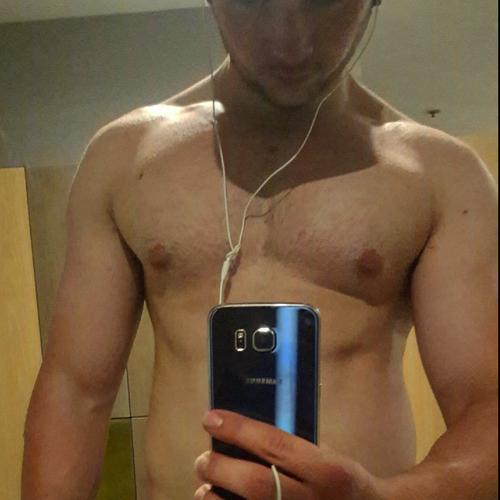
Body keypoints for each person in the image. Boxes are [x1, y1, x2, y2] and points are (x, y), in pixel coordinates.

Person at [22, 1, 498, 499]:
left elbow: (486, 407)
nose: (290, 42)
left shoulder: (441, 175)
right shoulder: (124, 159)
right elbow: (74, 395)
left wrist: (378, 498)